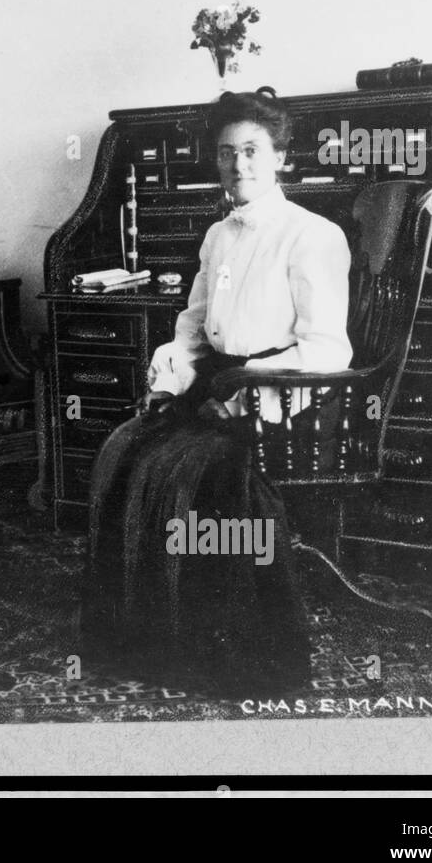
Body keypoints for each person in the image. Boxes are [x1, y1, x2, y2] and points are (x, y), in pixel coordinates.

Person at [81, 87, 353, 691]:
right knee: (126, 448)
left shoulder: (313, 235)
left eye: (253, 150)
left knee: (197, 472)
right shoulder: (218, 237)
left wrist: (250, 378)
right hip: (221, 394)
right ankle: (144, 636)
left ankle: (225, 646)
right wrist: (171, 371)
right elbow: (194, 327)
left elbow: (330, 349)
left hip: (286, 407)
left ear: (279, 154)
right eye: (228, 153)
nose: (240, 165)